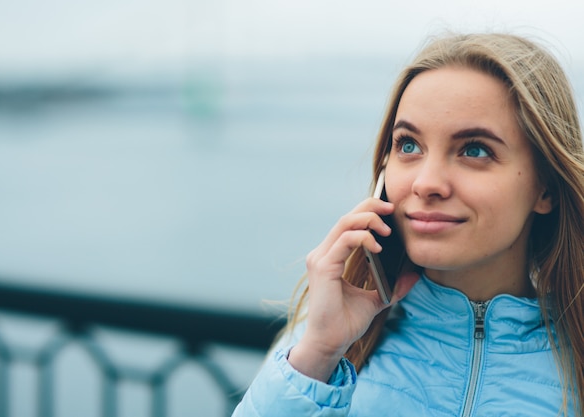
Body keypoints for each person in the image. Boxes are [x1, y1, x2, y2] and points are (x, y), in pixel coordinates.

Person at [232, 32, 584, 416]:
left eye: (475, 150)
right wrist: (318, 353)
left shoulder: (576, 356)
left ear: (545, 188)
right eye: (409, 145)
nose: (426, 183)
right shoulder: (320, 345)